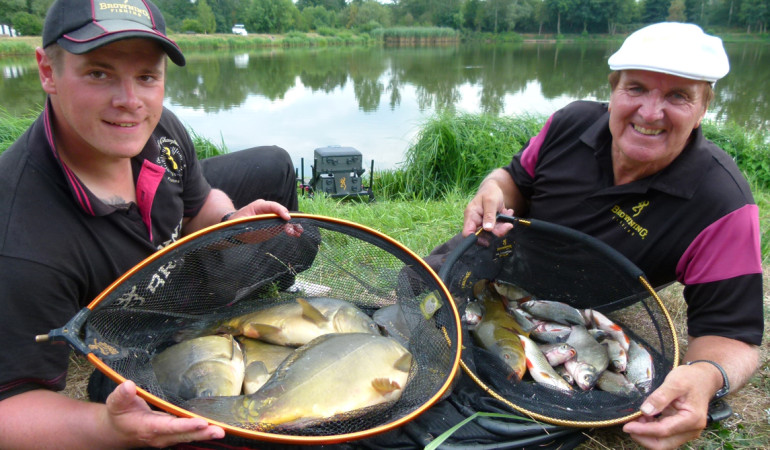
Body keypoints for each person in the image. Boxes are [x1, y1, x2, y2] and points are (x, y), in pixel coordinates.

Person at [0, 0, 302, 447]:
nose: (130, 101)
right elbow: (10, 407)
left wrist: (229, 221)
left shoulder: (158, 129)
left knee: (276, 172)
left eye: (146, 76)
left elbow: (199, 201)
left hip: (168, 245)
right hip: (134, 302)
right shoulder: (22, 242)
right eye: (99, 73)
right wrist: (108, 428)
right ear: (47, 71)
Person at [452, 22, 762, 449]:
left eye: (677, 96)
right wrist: (493, 189)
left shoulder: (723, 203)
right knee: (419, 290)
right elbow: (513, 180)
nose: (651, 113)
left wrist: (706, 376)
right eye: (635, 88)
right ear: (613, 89)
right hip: (504, 269)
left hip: (584, 317)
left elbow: (734, 337)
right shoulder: (569, 122)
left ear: (704, 106)